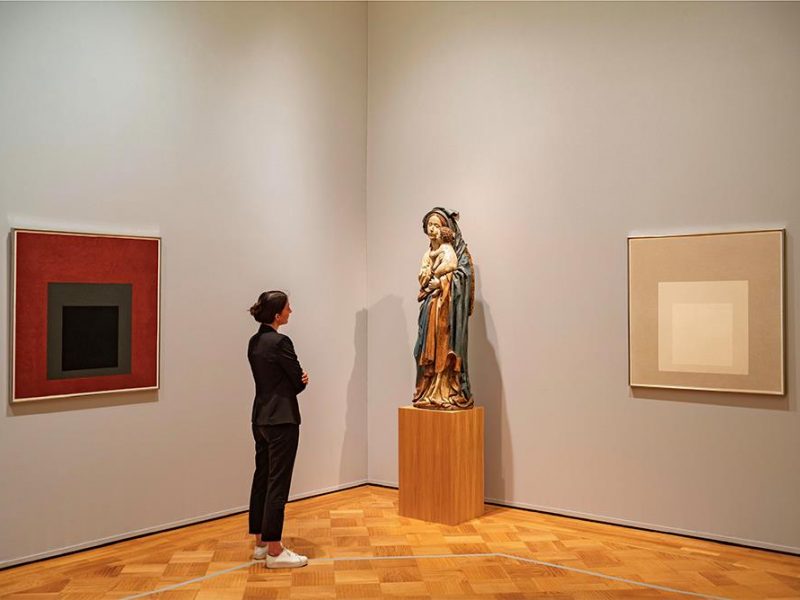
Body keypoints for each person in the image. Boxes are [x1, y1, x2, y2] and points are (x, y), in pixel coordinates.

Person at [247, 290, 309, 568]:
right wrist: (302, 380)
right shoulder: (281, 342)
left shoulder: (254, 342)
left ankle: (261, 543)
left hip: (260, 418)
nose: (290, 311)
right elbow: (296, 381)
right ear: (276, 314)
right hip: (282, 419)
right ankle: (275, 551)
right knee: (277, 483)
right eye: (287, 307)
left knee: (262, 477)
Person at [413, 208, 475, 410]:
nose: (432, 229)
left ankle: (448, 390)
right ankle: (428, 390)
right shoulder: (429, 254)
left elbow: (463, 278)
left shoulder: (458, 254)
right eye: (429, 225)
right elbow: (423, 279)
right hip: (431, 307)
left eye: (436, 225)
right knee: (423, 348)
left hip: (448, 313)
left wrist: (441, 283)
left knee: (445, 347)